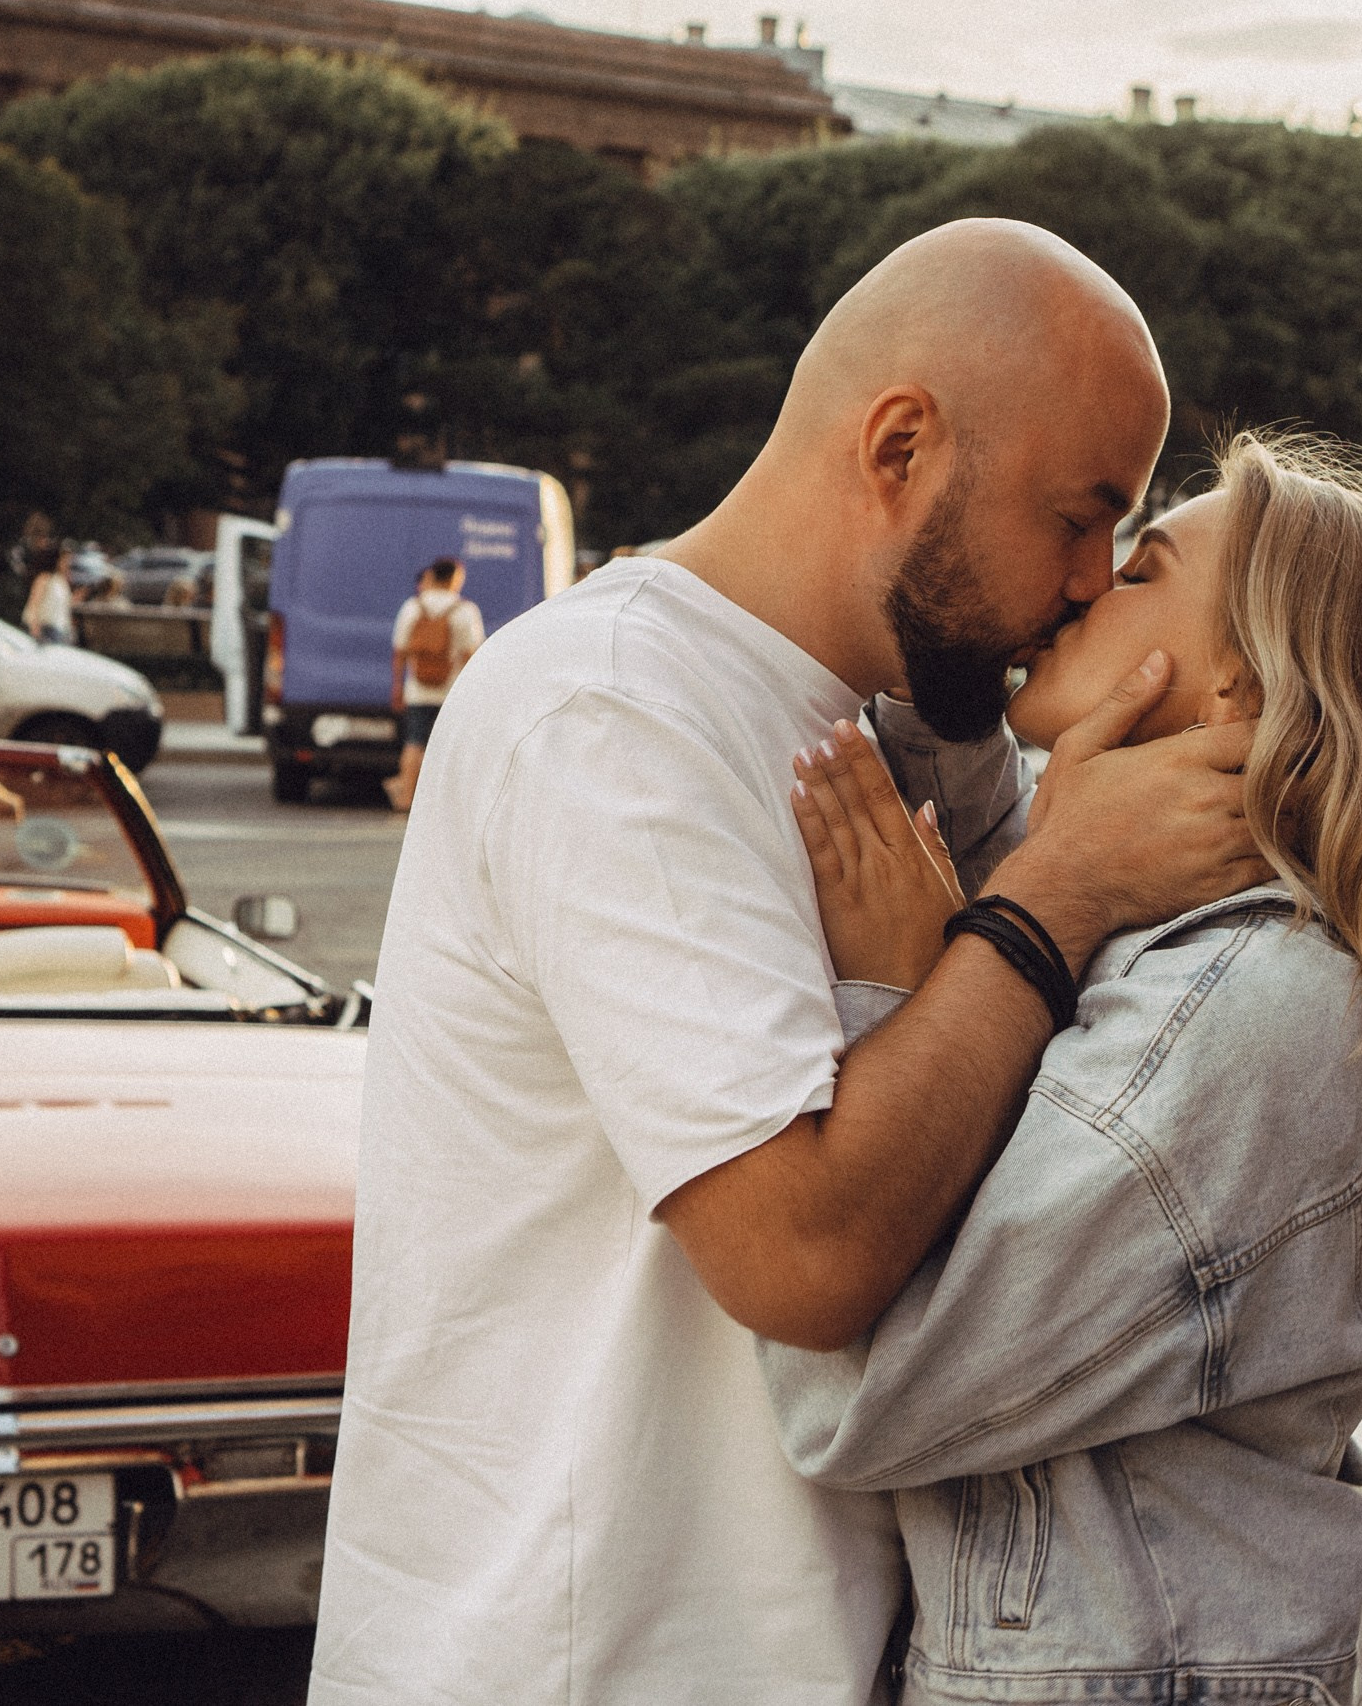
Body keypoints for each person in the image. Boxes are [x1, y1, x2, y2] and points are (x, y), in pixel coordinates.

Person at [309, 219, 1266, 1706]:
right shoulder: (617, 712)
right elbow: (798, 1251)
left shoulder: (916, 724)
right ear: (900, 448)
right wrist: (1049, 896)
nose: (1089, 583)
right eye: (1081, 515)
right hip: (594, 1656)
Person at [758, 432, 1362, 1705]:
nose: (1083, 585)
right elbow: (1008, 824)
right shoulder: (1184, 940)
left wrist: (910, 990)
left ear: (1234, 686)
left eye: (1140, 573)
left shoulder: (1244, 1011)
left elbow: (864, 1397)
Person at [384, 557, 486, 811]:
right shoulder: (465, 610)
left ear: (432, 576)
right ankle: (445, 805)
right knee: (450, 748)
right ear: (455, 578)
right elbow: (470, 654)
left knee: (414, 744)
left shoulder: (412, 606)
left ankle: (406, 798)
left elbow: (400, 651)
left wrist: (397, 687)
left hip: (417, 691)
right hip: (451, 693)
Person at [21, 543, 75, 644]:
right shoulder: (44, 578)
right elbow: (34, 603)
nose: (67, 563)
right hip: (45, 628)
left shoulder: (62, 582)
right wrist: (34, 626)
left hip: (60, 630)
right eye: (64, 560)